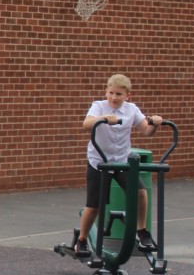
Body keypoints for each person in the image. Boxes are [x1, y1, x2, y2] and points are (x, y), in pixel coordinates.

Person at [72, 73, 167, 259]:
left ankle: (142, 231)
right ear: (106, 92)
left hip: (122, 160)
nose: (114, 98)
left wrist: (155, 123)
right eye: (111, 93)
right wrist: (104, 118)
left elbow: (146, 130)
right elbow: (86, 124)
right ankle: (82, 240)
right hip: (99, 161)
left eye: (119, 94)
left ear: (127, 96)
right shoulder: (99, 106)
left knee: (140, 192)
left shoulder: (132, 109)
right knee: (94, 206)